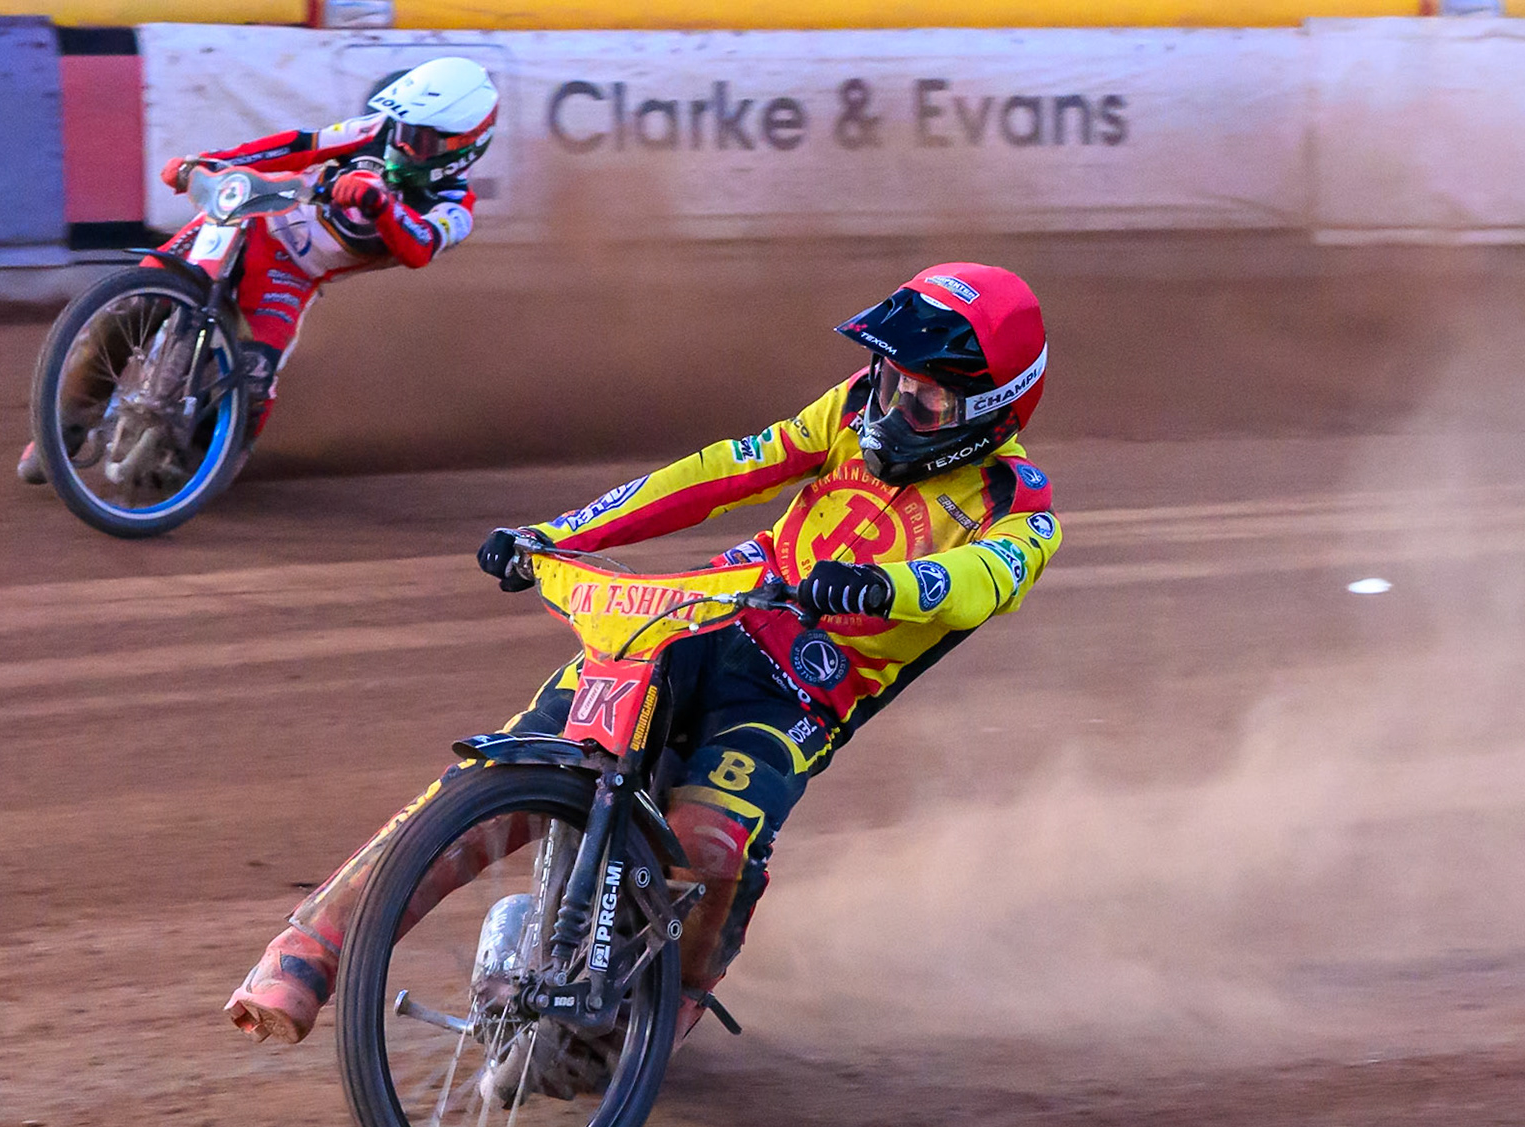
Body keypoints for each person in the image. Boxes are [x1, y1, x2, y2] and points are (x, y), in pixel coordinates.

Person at [225, 262, 1063, 1084]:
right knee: (514, 759)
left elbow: (981, 581)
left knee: (710, 840)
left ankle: (676, 1004)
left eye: (927, 397)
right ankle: (311, 947)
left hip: (799, 690)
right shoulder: (849, 408)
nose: (892, 404)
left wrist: (889, 587)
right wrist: (560, 535)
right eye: (889, 378)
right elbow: (721, 470)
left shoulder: (1018, 505)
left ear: (991, 411)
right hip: (710, 614)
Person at [17, 56, 498, 484]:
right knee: (135, 306)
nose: (405, 144)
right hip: (248, 217)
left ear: (466, 146)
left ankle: (202, 467)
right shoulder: (374, 132)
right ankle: (63, 422)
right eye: (404, 129)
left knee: (252, 377)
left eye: (423, 138)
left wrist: (379, 205)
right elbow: (295, 145)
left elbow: (420, 247)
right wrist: (207, 163)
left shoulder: (456, 209)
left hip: (290, 275)